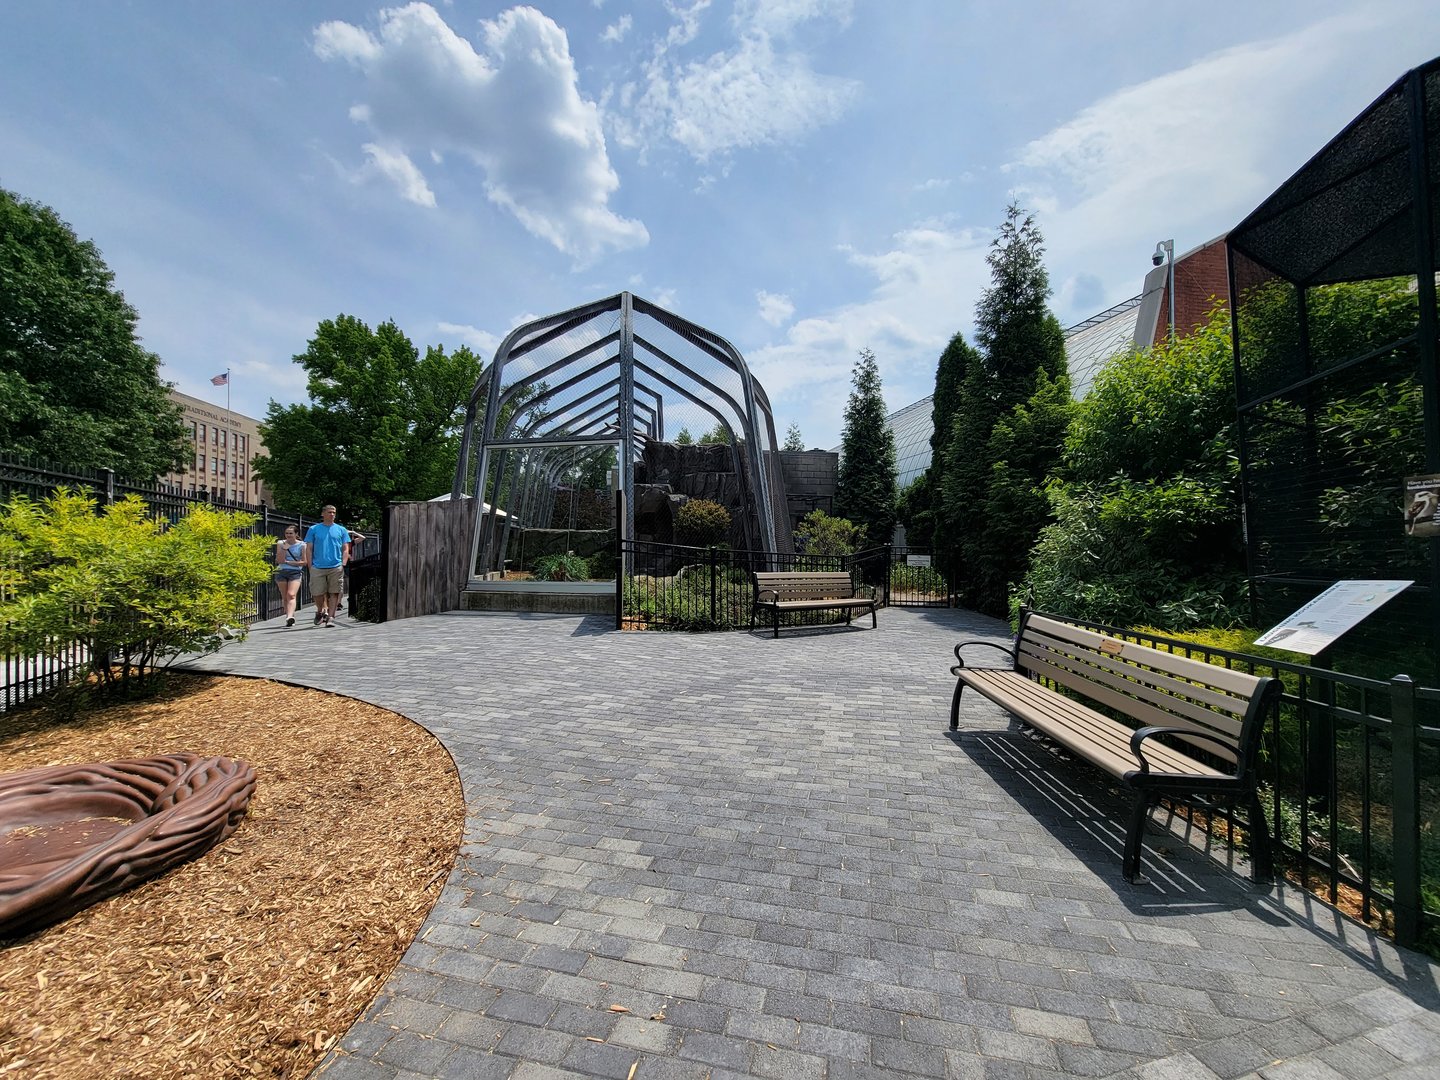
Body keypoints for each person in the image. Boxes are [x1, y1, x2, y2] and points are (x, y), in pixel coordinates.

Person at [303, 505, 351, 627]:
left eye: (334, 512)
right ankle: (320, 611)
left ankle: (331, 617)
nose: (332, 514)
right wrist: (310, 565)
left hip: (336, 566)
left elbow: (345, 548)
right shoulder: (314, 529)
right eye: (329, 512)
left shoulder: (341, 529)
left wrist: (343, 563)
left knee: (334, 592)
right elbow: (309, 548)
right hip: (318, 566)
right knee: (317, 592)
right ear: (323, 514)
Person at [272, 524, 305, 627]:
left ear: (296, 534)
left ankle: (290, 616)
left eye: (291, 533)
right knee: (285, 596)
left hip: (295, 572)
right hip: (281, 571)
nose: (288, 535)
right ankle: (289, 617)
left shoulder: (302, 545)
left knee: (291, 594)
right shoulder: (281, 543)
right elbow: (279, 560)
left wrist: (289, 562)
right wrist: (284, 549)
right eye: (287, 533)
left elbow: (304, 562)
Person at [335, 528, 367, 616]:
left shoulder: (350, 542)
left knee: (350, 583)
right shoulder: (338, 542)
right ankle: (338, 603)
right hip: (339, 564)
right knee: (340, 584)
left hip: (349, 564)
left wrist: (353, 532)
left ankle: (349, 598)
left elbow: (363, 538)